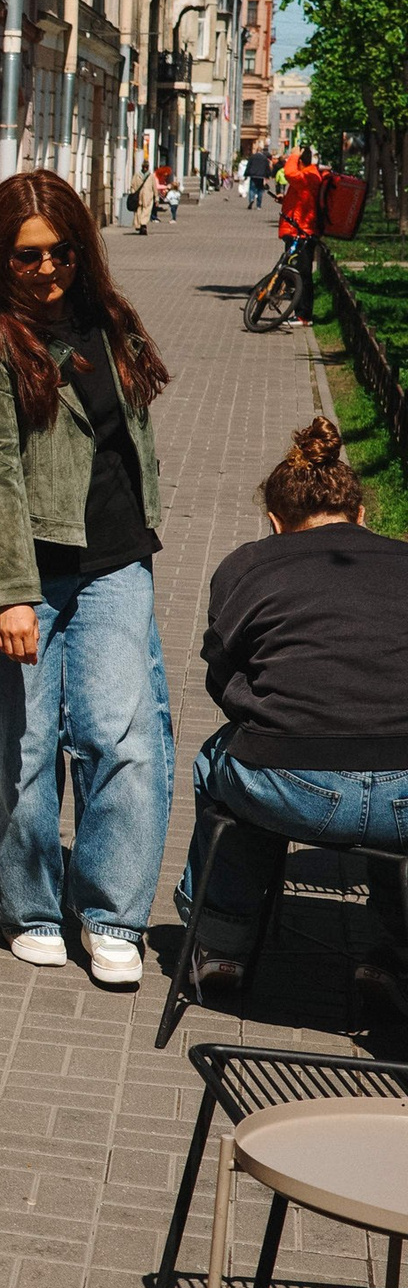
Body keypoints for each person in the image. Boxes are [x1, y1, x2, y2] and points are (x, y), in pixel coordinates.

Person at [0, 169, 175, 986]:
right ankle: (33, 905)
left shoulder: (106, 318)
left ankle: (113, 911)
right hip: (28, 571)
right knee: (26, 743)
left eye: (60, 253)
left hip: (116, 560)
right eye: (27, 257)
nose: (46, 270)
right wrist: (11, 590)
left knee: (122, 734)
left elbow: (130, 437)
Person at [171, 418, 408, 1008]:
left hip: (291, 784)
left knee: (218, 763)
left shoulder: (251, 563)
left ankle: (221, 945)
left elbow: (222, 674)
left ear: (275, 521)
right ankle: (392, 961)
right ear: (360, 515)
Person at [275, 144, 328, 323]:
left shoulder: (309, 175)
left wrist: (293, 155)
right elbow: (302, 197)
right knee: (297, 271)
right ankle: (300, 313)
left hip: (302, 232)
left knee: (302, 274)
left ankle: (303, 315)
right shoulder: (309, 176)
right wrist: (285, 199)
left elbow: (289, 173)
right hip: (297, 229)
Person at [132, 161, 159, 235]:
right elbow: (133, 185)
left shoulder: (151, 176)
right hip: (138, 197)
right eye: (144, 167)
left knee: (146, 211)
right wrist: (133, 194)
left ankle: (143, 224)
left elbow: (154, 188)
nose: (145, 168)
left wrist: (156, 198)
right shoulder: (137, 175)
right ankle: (140, 225)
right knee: (139, 211)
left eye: (146, 167)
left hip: (148, 197)